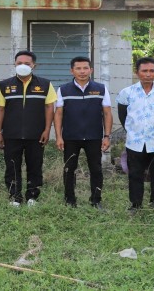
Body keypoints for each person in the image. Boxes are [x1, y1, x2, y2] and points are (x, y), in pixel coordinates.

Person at [0, 50, 55, 207]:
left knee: (35, 165)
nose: (23, 66)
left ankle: (32, 196)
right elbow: (0, 109)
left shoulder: (45, 84)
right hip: (11, 134)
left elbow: (50, 107)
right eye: (19, 63)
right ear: (14, 65)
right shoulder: (4, 85)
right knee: (12, 166)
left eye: (27, 64)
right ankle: (15, 196)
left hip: (36, 134)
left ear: (33, 65)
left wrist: (47, 130)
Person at [115, 57, 154, 211]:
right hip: (135, 142)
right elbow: (123, 118)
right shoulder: (126, 93)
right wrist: (135, 131)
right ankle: (135, 205)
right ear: (137, 72)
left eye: (152, 71)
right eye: (144, 71)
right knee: (135, 175)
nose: (148, 74)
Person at [54, 56, 112, 209]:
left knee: (96, 169)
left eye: (85, 68)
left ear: (91, 70)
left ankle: (96, 200)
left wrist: (107, 136)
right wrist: (59, 136)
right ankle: (70, 200)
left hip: (94, 137)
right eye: (78, 68)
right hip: (70, 137)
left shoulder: (101, 89)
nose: (82, 71)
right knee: (69, 169)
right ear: (72, 71)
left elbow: (107, 113)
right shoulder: (63, 89)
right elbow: (58, 114)